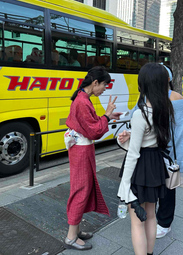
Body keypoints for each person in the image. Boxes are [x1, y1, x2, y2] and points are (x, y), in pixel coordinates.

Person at [117, 63, 174, 255]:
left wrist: (124, 183)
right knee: (151, 216)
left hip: (140, 166)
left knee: (136, 221)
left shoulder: (140, 114)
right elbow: (153, 138)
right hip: (155, 164)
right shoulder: (165, 109)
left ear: (144, 85)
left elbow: (133, 153)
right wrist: (132, 136)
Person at [64, 66, 121, 251]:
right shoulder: (82, 101)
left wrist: (108, 116)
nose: (105, 88)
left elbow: (92, 124)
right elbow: (95, 130)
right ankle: (71, 237)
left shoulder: (82, 98)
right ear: (95, 83)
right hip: (82, 151)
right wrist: (106, 115)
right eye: (104, 84)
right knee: (81, 189)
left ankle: (76, 230)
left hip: (82, 150)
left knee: (83, 187)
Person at [156, 64, 183, 239]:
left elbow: (180, 130)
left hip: (167, 151)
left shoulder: (175, 97)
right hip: (150, 151)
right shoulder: (147, 95)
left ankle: (164, 222)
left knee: (168, 188)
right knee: (155, 186)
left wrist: (178, 158)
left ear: (168, 79)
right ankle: (158, 220)